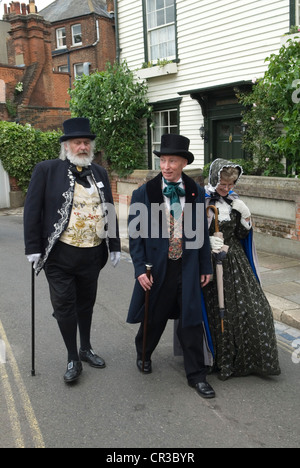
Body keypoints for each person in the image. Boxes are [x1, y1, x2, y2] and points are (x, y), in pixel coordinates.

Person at [24, 118, 121, 383]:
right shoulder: (47, 170)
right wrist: (32, 248)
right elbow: (32, 210)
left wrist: (114, 245)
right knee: (65, 306)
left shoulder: (99, 173)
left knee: (86, 304)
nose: (82, 147)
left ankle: (86, 348)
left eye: (86, 142)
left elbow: (109, 210)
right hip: (59, 256)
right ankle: (72, 357)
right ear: (66, 145)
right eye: (77, 142)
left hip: (92, 254)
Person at [127, 134, 215, 399]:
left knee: (191, 318)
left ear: (183, 163)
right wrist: (140, 268)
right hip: (157, 266)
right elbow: (135, 234)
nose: (166, 165)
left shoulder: (196, 191)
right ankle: (143, 353)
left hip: (186, 267)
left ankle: (196, 375)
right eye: (163, 160)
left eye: (172, 160)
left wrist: (205, 265)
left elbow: (200, 232)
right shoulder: (145, 192)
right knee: (155, 315)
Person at [204, 158, 281, 381]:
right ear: (214, 179)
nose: (227, 189)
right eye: (223, 185)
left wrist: (246, 217)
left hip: (235, 259)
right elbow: (190, 233)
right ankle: (220, 360)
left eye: (231, 185)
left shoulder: (234, 202)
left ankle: (250, 360)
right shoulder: (203, 201)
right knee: (220, 313)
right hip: (211, 263)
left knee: (258, 308)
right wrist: (207, 242)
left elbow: (241, 235)